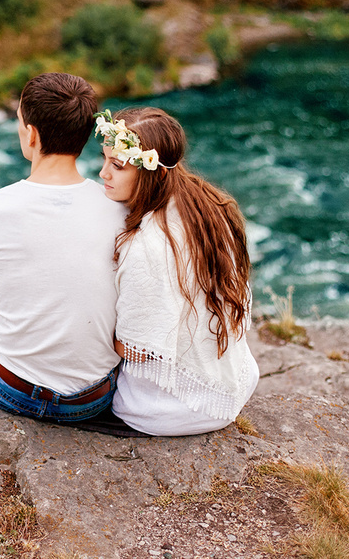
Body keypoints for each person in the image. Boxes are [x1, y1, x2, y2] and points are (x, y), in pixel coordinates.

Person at [0, 73, 127, 421]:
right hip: (94, 400)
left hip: (13, 391)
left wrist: (21, 309)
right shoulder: (121, 207)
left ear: (30, 133)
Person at [95, 106, 258, 436]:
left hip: (173, 409)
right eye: (103, 159)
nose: (103, 174)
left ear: (151, 170)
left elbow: (136, 349)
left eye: (117, 165)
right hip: (234, 386)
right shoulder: (206, 204)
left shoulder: (146, 246)